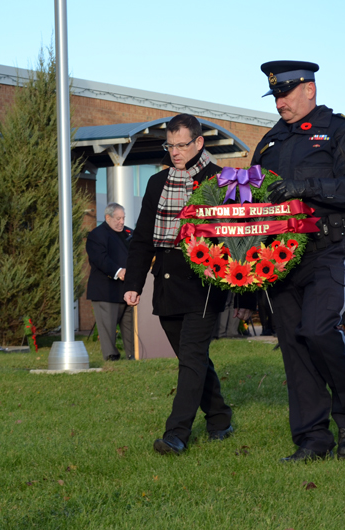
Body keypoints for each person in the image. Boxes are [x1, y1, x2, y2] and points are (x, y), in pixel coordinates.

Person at [253, 60, 345, 462]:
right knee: (293, 343)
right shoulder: (269, 142)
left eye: (285, 94)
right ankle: (313, 438)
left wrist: (305, 187)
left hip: (328, 246)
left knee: (320, 329)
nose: (280, 103)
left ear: (309, 89)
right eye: (275, 96)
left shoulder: (340, 131)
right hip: (280, 256)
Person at [123, 114, 252, 455]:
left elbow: (237, 235)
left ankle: (176, 434)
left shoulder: (221, 181)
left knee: (191, 358)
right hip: (165, 281)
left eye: (182, 145)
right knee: (192, 359)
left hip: (205, 283)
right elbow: (142, 238)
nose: (175, 152)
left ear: (198, 143)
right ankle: (220, 418)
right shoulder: (157, 182)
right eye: (170, 145)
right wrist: (133, 282)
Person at [85, 203, 135, 361]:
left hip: (127, 291)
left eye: (123, 218)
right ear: (107, 218)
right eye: (118, 218)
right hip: (105, 291)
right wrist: (119, 271)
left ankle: (132, 356)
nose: (121, 222)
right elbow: (100, 258)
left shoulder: (128, 233)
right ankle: (111, 357)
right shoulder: (97, 235)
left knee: (130, 327)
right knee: (108, 328)